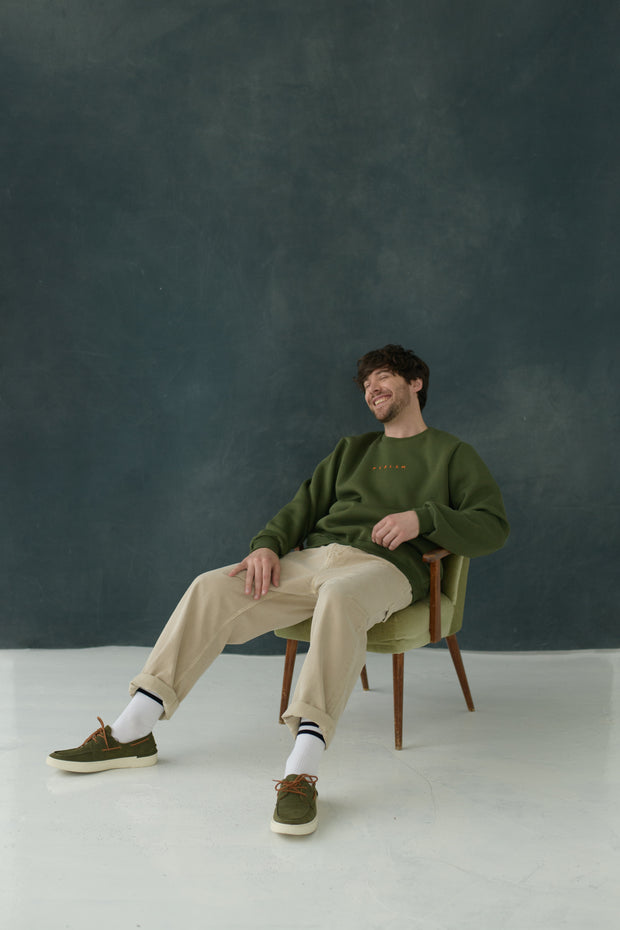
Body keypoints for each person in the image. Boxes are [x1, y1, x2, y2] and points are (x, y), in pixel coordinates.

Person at [47, 344, 509, 836]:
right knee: (211, 587)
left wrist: (424, 518)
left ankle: (301, 770)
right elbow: (303, 506)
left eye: (383, 377)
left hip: (386, 567)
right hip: (313, 559)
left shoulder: (453, 454)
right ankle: (132, 730)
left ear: (416, 383)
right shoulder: (353, 450)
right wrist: (267, 545)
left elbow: (492, 527)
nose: (372, 389)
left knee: (340, 599)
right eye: (366, 384)